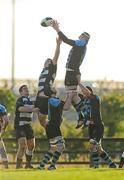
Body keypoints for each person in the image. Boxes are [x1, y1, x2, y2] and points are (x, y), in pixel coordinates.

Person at [51, 20, 90, 128]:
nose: (80, 36)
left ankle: (87, 116)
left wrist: (57, 29)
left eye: (82, 36)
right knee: (73, 97)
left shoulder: (81, 44)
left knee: (72, 95)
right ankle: (82, 117)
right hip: (70, 72)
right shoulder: (81, 44)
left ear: (86, 39)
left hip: (72, 73)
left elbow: (67, 40)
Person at [78, 83, 117, 168]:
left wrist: (78, 83)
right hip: (91, 128)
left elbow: (87, 93)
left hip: (98, 126)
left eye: (85, 92)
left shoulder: (95, 98)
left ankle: (96, 166)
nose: (84, 94)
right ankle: (112, 164)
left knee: (92, 146)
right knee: (98, 149)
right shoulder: (84, 102)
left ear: (90, 92)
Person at [37, 91, 70, 170]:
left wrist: (68, 95)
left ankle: (41, 165)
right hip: (53, 126)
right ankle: (52, 165)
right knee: (61, 146)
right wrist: (70, 96)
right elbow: (65, 107)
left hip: (50, 127)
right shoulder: (52, 100)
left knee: (53, 148)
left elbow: (62, 103)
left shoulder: (53, 100)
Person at [35, 36, 62, 129]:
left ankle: (55, 130)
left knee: (52, 120)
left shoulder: (51, 69)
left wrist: (58, 45)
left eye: (50, 61)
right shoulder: (43, 71)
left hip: (47, 98)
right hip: (39, 98)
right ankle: (51, 131)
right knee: (42, 122)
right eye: (47, 60)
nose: (49, 61)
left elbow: (56, 57)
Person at [14, 85, 39, 169]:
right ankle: (18, 165)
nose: (27, 90)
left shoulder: (31, 101)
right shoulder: (20, 100)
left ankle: (28, 164)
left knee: (31, 146)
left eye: (27, 89)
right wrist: (33, 110)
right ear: (21, 92)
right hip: (20, 125)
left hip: (28, 125)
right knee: (23, 145)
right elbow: (20, 109)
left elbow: (39, 107)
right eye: (24, 89)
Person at [0, 104, 9, 168]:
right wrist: (4, 129)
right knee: (2, 149)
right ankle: (6, 167)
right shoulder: (1, 107)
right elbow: (7, 121)